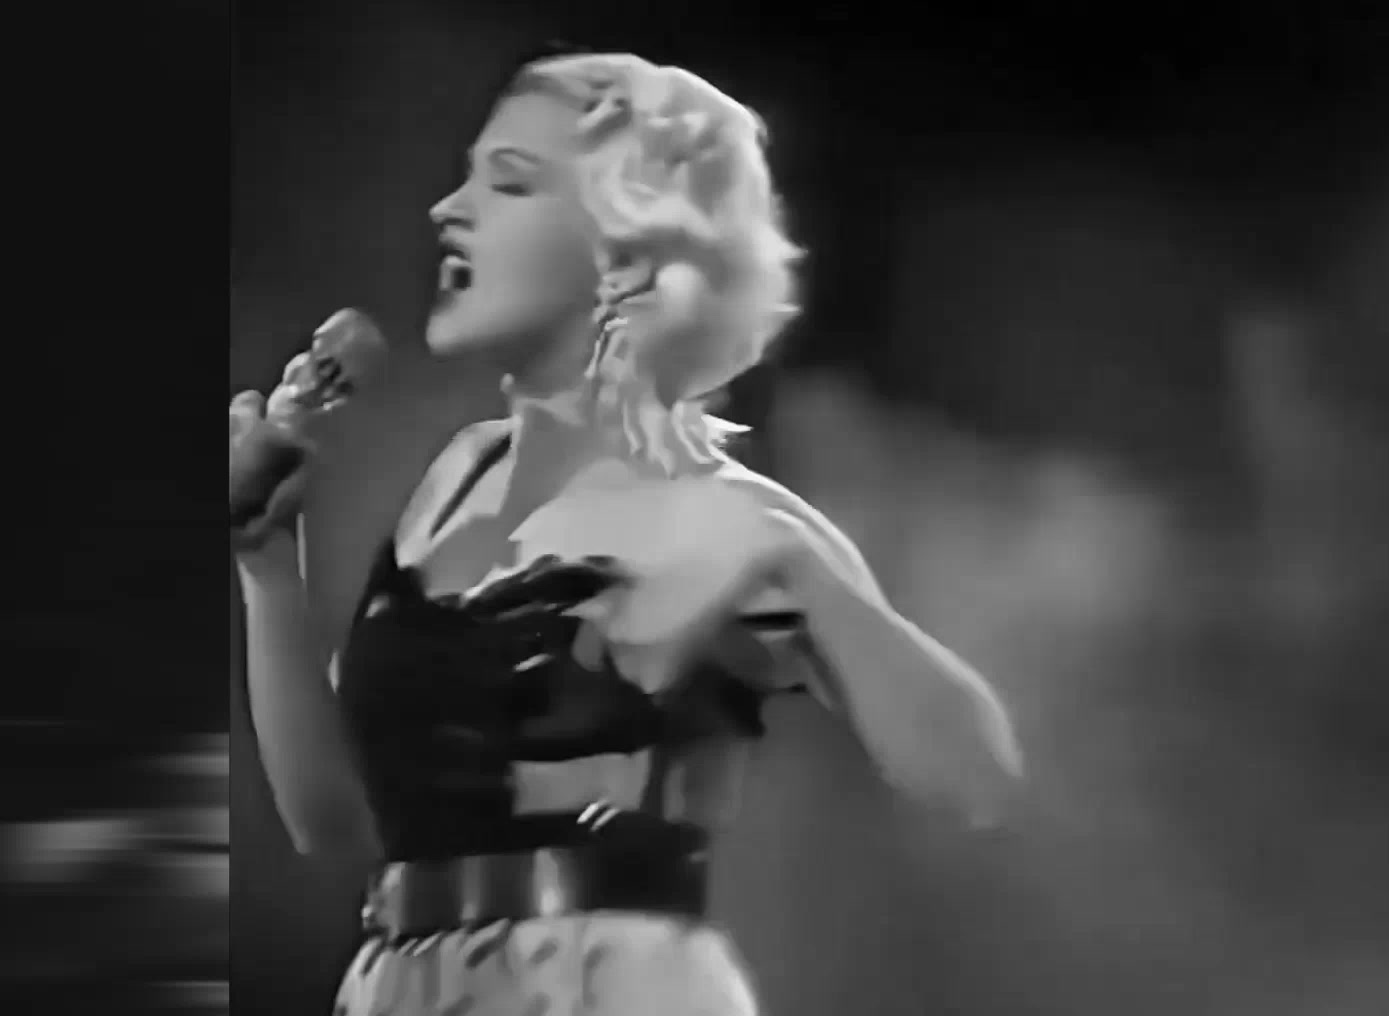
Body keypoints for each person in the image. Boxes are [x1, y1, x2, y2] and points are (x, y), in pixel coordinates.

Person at [229, 51, 1023, 1016]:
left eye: (508, 182)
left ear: (630, 251)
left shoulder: (725, 518)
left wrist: (804, 578)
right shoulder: (453, 479)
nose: (447, 208)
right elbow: (336, 827)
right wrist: (267, 565)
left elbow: (977, 778)